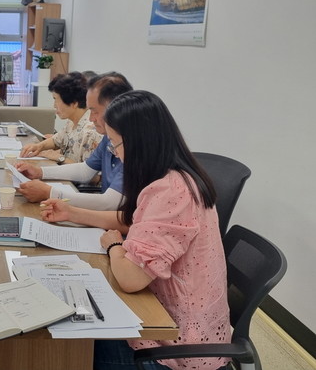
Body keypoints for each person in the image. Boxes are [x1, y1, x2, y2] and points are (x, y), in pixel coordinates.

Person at [40, 90, 230, 370]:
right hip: (173, 319)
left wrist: (114, 246)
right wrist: (72, 213)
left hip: (175, 345)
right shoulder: (175, 176)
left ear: (139, 142)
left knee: (77, 339)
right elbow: (131, 221)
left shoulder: (170, 190)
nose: (115, 153)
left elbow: (130, 279)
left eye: (115, 144)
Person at [16, 72, 132, 209]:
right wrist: (39, 172)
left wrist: (49, 192)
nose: (90, 118)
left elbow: (110, 203)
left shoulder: (132, 144)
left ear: (116, 108)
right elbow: (85, 170)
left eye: (95, 111)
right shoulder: (108, 137)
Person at [20, 71, 102, 164]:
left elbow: (90, 171)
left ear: (74, 103)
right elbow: (56, 140)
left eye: (56, 99)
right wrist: (39, 146)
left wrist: (60, 158)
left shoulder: (91, 133)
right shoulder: (71, 122)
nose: (54, 105)